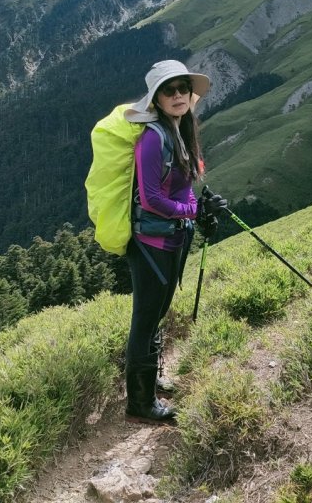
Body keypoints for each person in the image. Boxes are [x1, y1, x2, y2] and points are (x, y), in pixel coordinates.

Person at [122, 59, 228, 424]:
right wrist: (190, 212)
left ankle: (150, 379)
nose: (179, 94)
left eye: (183, 87)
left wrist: (201, 207)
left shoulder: (181, 133)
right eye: (170, 90)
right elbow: (152, 199)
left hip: (171, 238)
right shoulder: (153, 139)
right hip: (151, 242)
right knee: (146, 317)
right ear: (156, 99)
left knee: (158, 312)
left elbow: (184, 190)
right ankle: (139, 401)